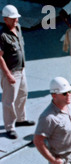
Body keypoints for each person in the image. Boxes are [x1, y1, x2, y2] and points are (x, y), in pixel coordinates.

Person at [0, 5, 35, 140]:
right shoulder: (2, 36)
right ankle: (10, 127)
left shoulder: (18, 28)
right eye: (13, 19)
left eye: (17, 18)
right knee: (9, 101)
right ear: (5, 19)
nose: (16, 21)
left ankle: (21, 119)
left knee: (22, 94)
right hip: (11, 73)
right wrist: (8, 75)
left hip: (21, 69)